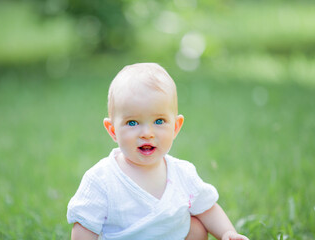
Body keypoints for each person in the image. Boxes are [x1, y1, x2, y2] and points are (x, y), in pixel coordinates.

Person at [67, 63, 249, 240]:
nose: (147, 133)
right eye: (132, 123)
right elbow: (85, 225)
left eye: (159, 121)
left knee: (196, 227)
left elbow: (207, 208)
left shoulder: (182, 173)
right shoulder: (102, 178)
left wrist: (227, 233)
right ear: (113, 130)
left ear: (176, 127)